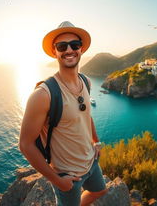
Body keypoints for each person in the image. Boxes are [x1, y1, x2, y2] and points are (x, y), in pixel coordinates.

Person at [19, 21, 107, 206]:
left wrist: (96, 141)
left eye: (74, 45)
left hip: (91, 161)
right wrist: (57, 180)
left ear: (81, 49)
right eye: (62, 46)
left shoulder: (86, 82)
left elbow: (86, 115)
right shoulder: (43, 95)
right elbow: (25, 144)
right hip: (67, 174)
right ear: (54, 51)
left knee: (100, 191)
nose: (69, 50)